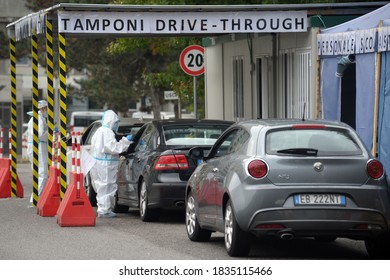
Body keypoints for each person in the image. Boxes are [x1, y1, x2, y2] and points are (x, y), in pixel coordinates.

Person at [90, 109, 133, 218]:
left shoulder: (99, 131)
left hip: (98, 163)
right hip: (106, 165)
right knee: (107, 186)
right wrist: (126, 141)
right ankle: (105, 211)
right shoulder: (107, 132)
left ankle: (102, 209)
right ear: (111, 121)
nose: (116, 125)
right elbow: (113, 147)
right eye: (116, 122)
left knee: (101, 187)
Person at [27, 100, 49, 203]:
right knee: (43, 173)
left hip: (34, 147)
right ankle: (36, 197)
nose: (46, 110)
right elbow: (39, 134)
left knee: (38, 173)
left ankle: (37, 197)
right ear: (43, 108)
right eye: (46, 108)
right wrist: (50, 135)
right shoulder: (39, 119)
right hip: (39, 148)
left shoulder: (34, 118)